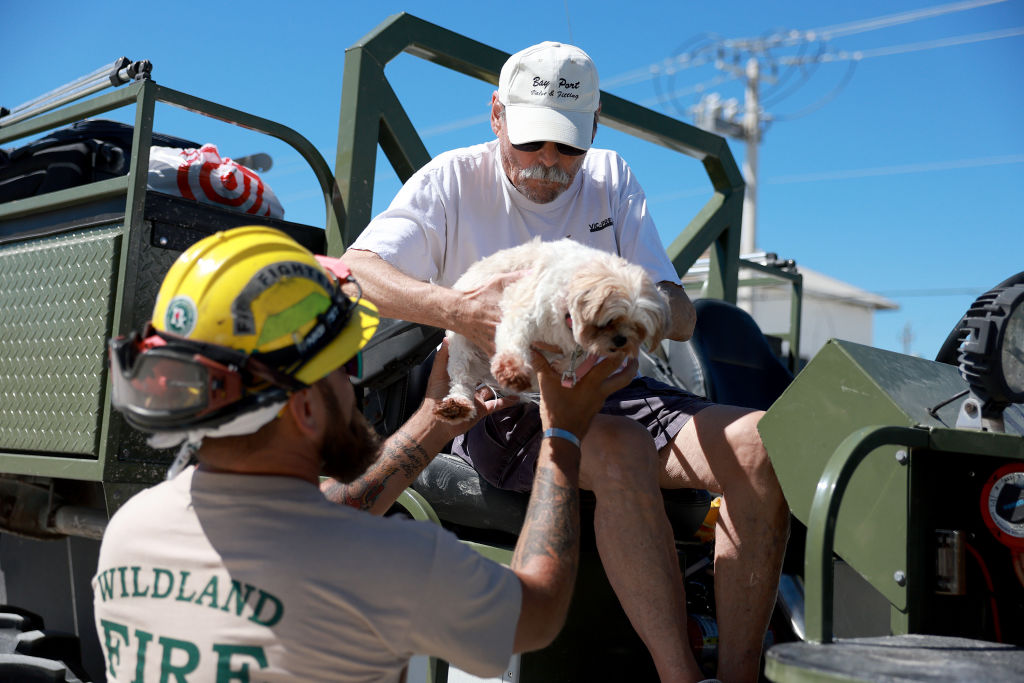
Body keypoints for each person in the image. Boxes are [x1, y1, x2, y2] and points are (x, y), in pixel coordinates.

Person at [341, 41, 790, 682]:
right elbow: (357, 272)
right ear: (497, 116)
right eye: (531, 144)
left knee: (759, 446)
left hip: (616, 385)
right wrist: (461, 311)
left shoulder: (611, 177)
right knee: (619, 447)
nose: (549, 164)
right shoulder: (451, 179)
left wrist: (638, 315)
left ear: (593, 133)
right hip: (505, 397)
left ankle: (741, 674)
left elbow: (676, 307)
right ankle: (678, 673)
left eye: (567, 148)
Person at [93, 225, 636, 682]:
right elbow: (538, 612)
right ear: (304, 407)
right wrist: (563, 434)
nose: (357, 389)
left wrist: (433, 421)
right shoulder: (395, 564)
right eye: (345, 368)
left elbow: (320, 525)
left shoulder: (130, 530)